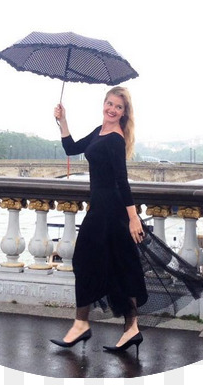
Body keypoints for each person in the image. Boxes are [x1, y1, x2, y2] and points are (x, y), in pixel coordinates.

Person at [49, 86, 148, 356]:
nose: (112, 109)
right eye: (109, 103)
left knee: (86, 261)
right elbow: (71, 148)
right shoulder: (98, 131)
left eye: (118, 107)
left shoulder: (115, 139)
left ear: (124, 113)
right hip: (100, 208)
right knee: (114, 266)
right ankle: (128, 327)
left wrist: (132, 218)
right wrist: (63, 120)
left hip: (110, 210)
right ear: (103, 104)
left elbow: (122, 181)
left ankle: (84, 324)